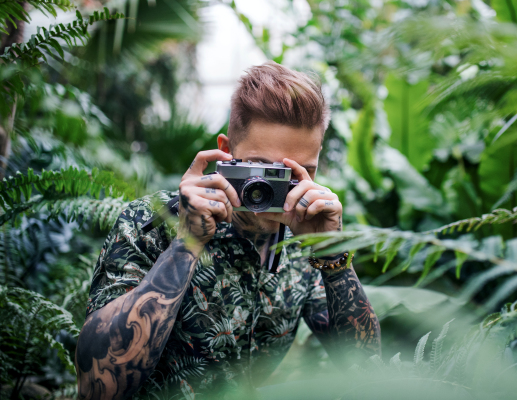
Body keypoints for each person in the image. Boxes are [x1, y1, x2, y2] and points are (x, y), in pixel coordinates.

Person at [75, 61, 381, 400]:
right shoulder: (151, 221)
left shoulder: (301, 243)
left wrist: (332, 253)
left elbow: (365, 370)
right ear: (226, 152)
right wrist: (187, 244)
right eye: (261, 170)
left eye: (296, 173)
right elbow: (97, 388)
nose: (273, 190)